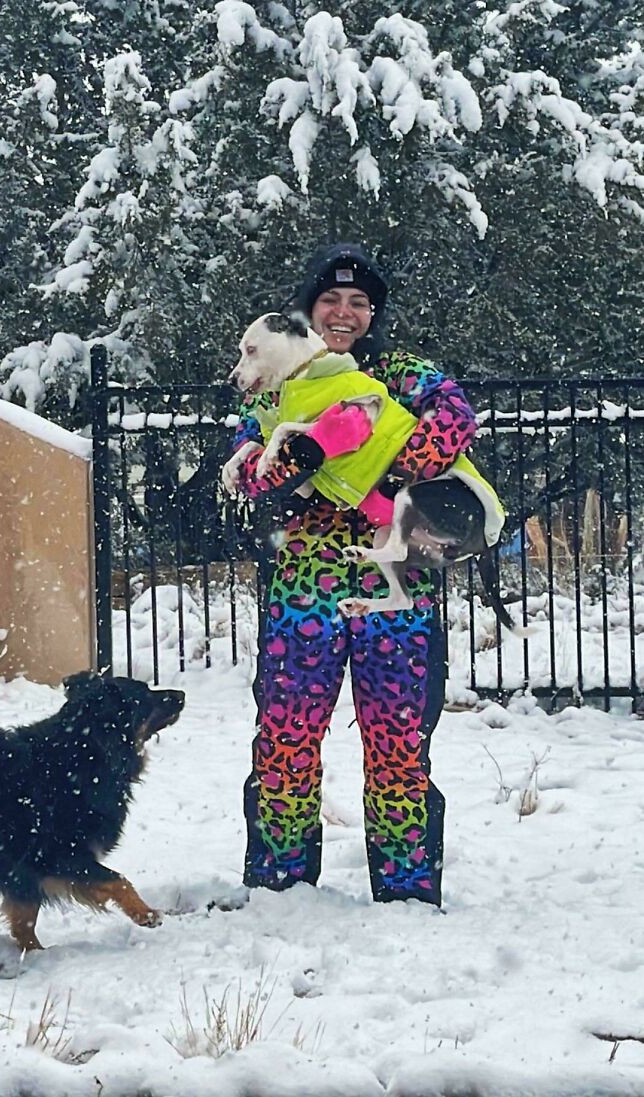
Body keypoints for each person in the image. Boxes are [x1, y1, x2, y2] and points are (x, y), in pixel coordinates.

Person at [231, 243, 478, 906]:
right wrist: (303, 459)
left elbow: (455, 418)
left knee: (399, 741)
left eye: (359, 303)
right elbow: (249, 468)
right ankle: (278, 882)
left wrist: (391, 476)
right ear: (308, 310)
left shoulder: (400, 373)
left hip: (395, 590)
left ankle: (406, 887)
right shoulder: (279, 380)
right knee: (285, 736)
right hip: (302, 590)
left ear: (373, 314)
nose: (344, 312)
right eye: (331, 300)